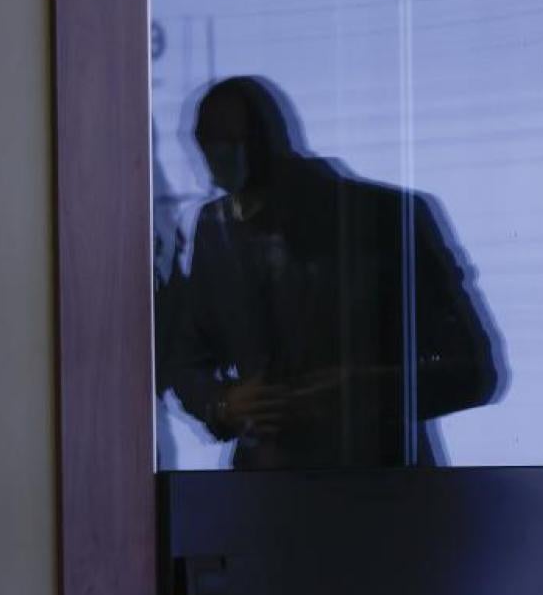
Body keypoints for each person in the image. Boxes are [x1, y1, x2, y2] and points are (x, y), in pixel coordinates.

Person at [163, 76, 502, 469]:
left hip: (379, 482)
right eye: (211, 146)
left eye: (230, 145)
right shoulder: (216, 228)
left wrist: (356, 392)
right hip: (267, 486)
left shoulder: (385, 218)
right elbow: (185, 360)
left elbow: (474, 373)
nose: (215, 168)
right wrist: (222, 403)